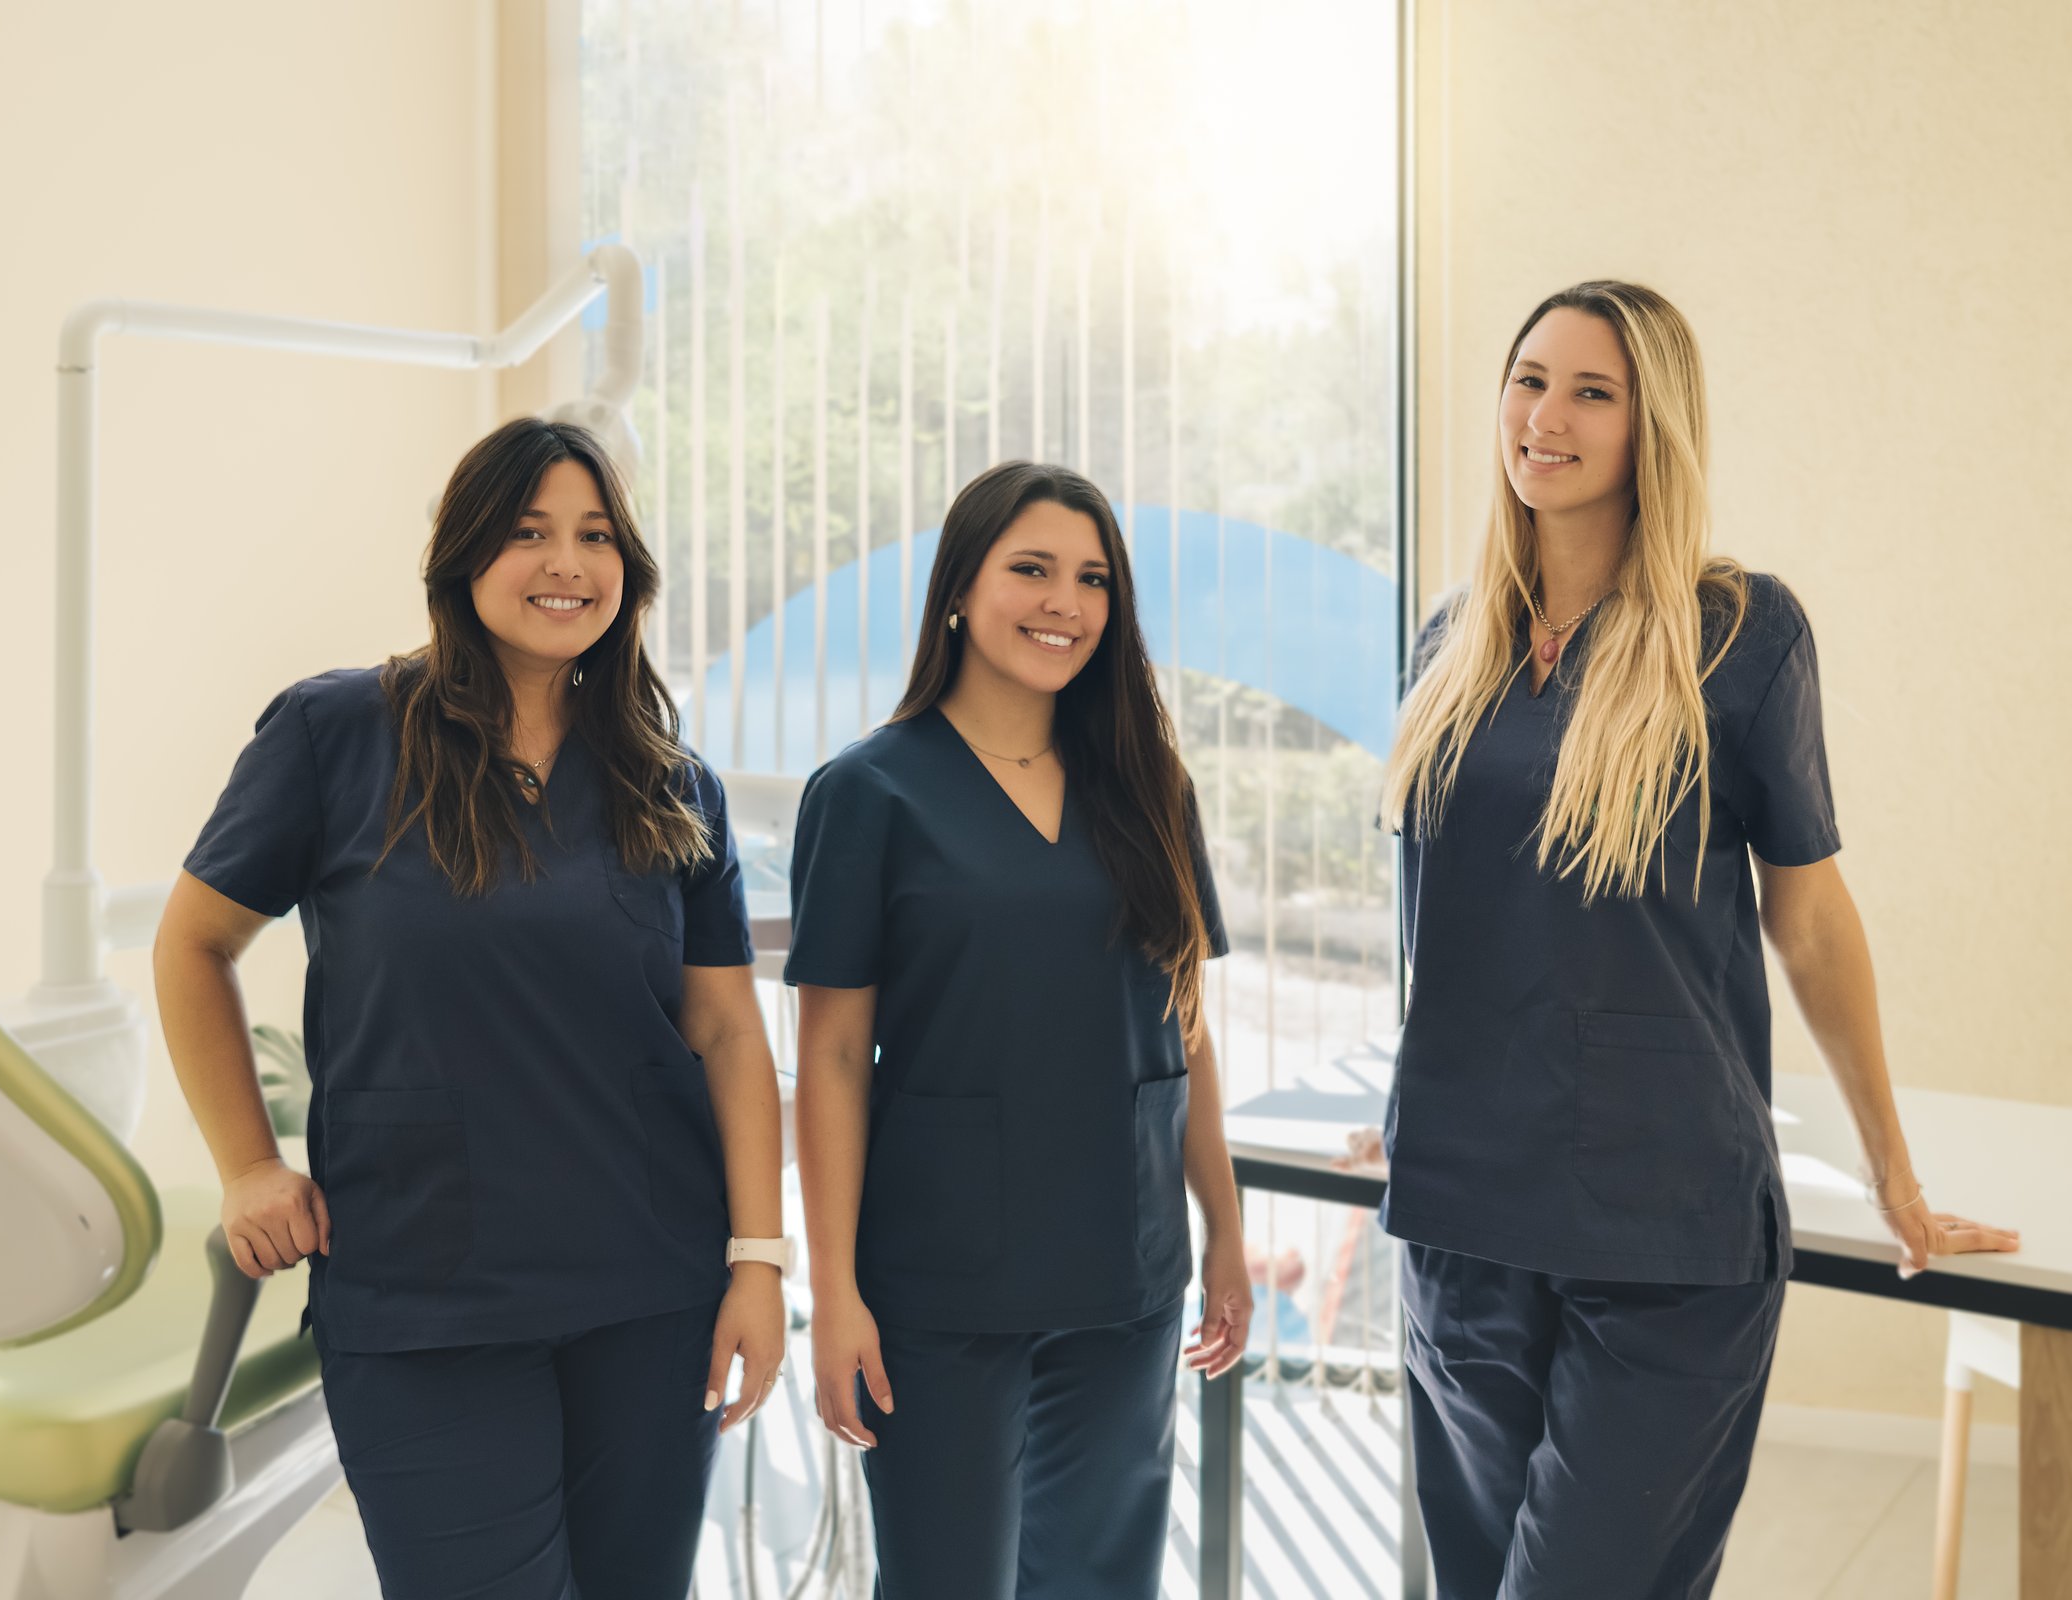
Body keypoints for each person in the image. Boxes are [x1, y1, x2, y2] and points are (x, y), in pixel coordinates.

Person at [1376, 280, 2019, 1597]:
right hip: (1462, 1210)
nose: (1544, 416)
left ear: (1649, 428)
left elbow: (1812, 920)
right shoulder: (1451, 646)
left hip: (1666, 1222)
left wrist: (1890, 1169)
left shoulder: (1740, 634)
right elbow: (1441, 915)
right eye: (1529, 378)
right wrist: (1403, 1093)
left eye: (1591, 392)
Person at [153, 418, 788, 1599]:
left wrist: (759, 1260)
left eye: (596, 536)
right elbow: (195, 943)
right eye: (530, 530)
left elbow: (725, 1030)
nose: (567, 563)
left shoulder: (668, 779)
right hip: (424, 1292)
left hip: (649, 1288)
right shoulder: (335, 734)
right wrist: (248, 1166)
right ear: (464, 555)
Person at [787, 461, 1251, 1599]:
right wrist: (833, 1290)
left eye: (1092, 578)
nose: (1065, 602)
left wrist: (1225, 1227)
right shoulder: (868, 794)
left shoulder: (1147, 787)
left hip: (1125, 1274)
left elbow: (1184, 1022)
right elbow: (834, 1059)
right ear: (960, 588)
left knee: (1103, 1579)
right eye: (1031, 569)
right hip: (943, 1287)